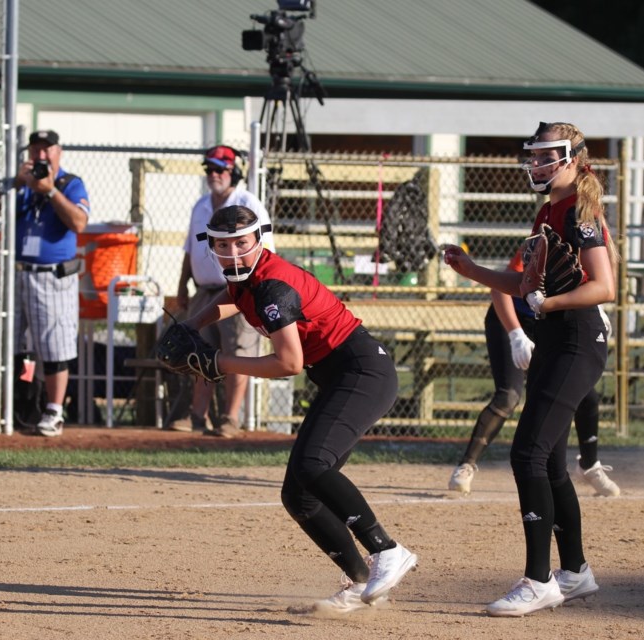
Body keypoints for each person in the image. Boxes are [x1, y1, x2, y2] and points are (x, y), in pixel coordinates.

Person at [179, 204, 418, 613]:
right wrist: (192, 324)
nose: (234, 253)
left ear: (259, 240)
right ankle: (359, 585)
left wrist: (221, 363)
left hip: (362, 373)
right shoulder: (250, 277)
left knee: (312, 466)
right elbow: (233, 297)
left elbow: (288, 364)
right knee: (299, 496)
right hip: (340, 376)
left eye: (242, 243)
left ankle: (388, 550)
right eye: (222, 245)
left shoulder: (273, 285)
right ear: (210, 247)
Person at [443, 121, 617, 617]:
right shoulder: (549, 210)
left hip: (577, 338)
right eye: (534, 156)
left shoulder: (580, 211)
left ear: (574, 159)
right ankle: (576, 572)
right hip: (557, 338)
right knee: (550, 460)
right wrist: (471, 269)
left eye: (547, 156)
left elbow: (603, 286)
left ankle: (539, 580)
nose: (537, 164)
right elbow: (523, 286)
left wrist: (551, 301)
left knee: (528, 454)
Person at [448, 291, 620, 498]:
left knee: (585, 395)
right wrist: (516, 334)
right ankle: (467, 464)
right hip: (512, 317)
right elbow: (500, 288)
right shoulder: (535, 256)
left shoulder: (589, 257)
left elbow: (599, 284)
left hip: (550, 321)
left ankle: (589, 466)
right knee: (509, 396)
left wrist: (596, 309)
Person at [168, 145, 274, 438]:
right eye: (210, 170)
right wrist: (181, 287)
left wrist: (254, 293)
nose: (213, 175)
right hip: (204, 290)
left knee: (237, 351)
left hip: (239, 292)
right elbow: (190, 251)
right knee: (199, 353)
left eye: (220, 169)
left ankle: (229, 418)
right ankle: (196, 416)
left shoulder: (248, 203)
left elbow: (266, 252)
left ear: (234, 173)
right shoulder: (200, 205)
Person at [11, 129, 90, 437]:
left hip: (52, 276)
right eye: (35, 150)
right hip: (18, 273)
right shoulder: (22, 184)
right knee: (17, 346)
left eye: (47, 150)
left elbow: (79, 222)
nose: (41, 156)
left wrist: (49, 191)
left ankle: (54, 411)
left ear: (59, 152)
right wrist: (19, 183)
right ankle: (21, 405)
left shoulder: (69, 184)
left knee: (54, 345)